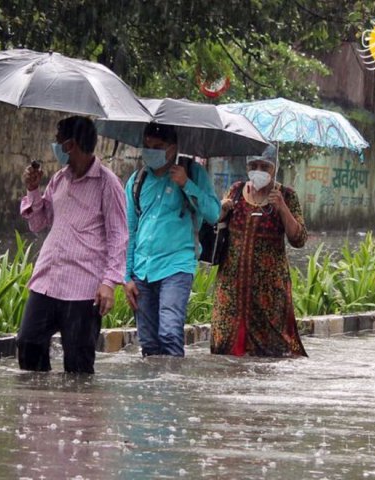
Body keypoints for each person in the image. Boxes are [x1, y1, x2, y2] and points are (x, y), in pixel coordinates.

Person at [17, 115, 128, 374]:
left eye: (58, 142)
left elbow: (118, 235)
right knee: (28, 342)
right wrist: (33, 190)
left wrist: (109, 282)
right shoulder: (59, 178)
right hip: (48, 280)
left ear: (70, 145)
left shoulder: (107, 183)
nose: (55, 147)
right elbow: (39, 223)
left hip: (83, 288)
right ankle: (39, 410)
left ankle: (78, 412)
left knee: (78, 362)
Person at [123, 123, 220, 357]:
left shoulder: (193, 172)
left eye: (158, 146)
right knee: (148, 340)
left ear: (173, 148)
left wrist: (187, 184)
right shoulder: (137, 181)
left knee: (169, 332)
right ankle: (153, 390)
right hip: (143, 270)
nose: (151, 151)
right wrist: (127, 277)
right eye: (148, 146)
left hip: (176, 266)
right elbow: (131, 231)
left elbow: (214, 213)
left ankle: (173, 386)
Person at [210, 145, 308, 357]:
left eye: (264, 166)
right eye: (254, 166)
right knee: (226, 352)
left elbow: (299, 239)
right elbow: (215, 228)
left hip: (269, 294)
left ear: (274, 168)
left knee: (271, 354)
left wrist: (282, 208)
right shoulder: (236, 191)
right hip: (231, 290)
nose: (259, 170)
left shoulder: (286, 196)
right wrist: (221, 211)